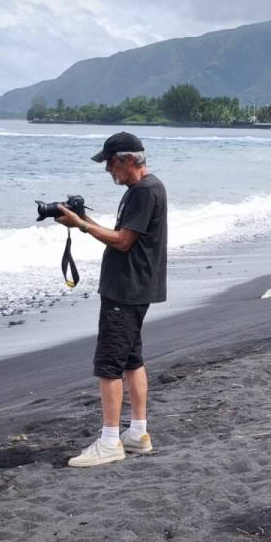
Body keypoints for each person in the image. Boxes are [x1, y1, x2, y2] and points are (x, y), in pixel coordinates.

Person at [57, 132, 168, 468]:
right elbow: (125, 236)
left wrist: (83, 226)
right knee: (132, 360)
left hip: (126, 289)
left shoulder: (145, 191)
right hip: (135, 286)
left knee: (109, 365)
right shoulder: (144, 189)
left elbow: (122, 242)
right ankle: (137, 433)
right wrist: (83, 221)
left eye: (111, 162)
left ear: (129, 159)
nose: (107, 169)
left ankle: (109, 441)